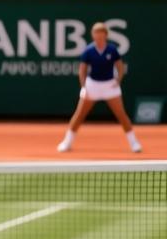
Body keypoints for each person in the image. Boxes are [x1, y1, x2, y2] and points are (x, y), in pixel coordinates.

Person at [58, 22, 140, 153]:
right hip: (92, 85)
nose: (99, 37)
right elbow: (82, 70)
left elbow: (120, 66)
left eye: (101, 35)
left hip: (109, 86)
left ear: (106, 36)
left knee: (121, 115)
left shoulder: (112, 50)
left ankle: (134, 143)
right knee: (79, 115)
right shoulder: (88, 51)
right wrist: (84, 86)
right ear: (93, 35)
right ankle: (67, 142)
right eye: (96, 35)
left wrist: (118, 80)